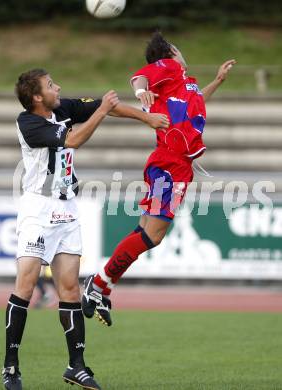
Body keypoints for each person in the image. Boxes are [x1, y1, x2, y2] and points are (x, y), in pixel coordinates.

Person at [1, 68, 169, 390]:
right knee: (25, 285)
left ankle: (75, 366)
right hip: (37, 209)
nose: (58, 87)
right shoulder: (29, 123)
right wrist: (103, 111)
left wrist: (145, 119)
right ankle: (11, 368)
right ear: (37, 97)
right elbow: (74, 139)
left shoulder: (61, 108)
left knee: (70, 290)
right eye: (51, 85)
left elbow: (108, 105)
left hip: (66, 208)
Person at [82, 31, 236, 327]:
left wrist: (217, 81)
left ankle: (103, 287)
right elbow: (139, 78)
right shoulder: (169, 67)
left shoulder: (183, 82)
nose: (180, 52)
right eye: (176, 48)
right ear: (169, 53)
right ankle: (99, 283)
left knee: (144, 231)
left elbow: (197, 99)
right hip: (170, 163)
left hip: (174, 164)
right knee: (152, 235)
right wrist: (141, 94)